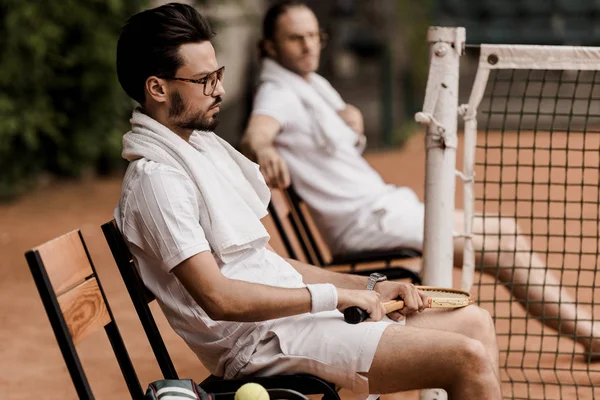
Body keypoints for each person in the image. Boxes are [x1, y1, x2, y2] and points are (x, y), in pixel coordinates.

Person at [114, 2, 502, 399]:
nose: (221, 90)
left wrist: (370, 284)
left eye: (219, 75)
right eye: (204, 81)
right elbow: (219, 298)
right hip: (260, 344)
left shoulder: (199, 150)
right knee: (466, 358)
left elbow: (271, 267)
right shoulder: (157, 182)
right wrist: (335, 297)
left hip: (289, 321)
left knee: (474, 323)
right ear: (157, 88)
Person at [241, 0, 600, 360]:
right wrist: (266, 150)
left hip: (383, 209)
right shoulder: (279, 92)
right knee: (504, 243)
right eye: (294, 38)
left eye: (314, 35)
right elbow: (256, 133)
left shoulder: (310, 84)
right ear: (269, 47)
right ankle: (590, 335)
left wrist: (348, 120)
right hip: (367, 223)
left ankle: (588, 333)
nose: (309, 46)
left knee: (506, 233)